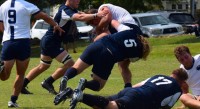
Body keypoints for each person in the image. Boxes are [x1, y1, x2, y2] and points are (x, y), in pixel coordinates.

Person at [21, 0, 106, 95]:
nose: (78, 1)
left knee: (43, 66)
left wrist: (93, 14)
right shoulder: (65, 10)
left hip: (49, 41)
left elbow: (81, 13)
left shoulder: (70, 9)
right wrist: (96, 15)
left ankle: (22, 84)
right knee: (70, 64)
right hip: (51, 42)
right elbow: (80, 17)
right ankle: (48, 82)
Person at [56, 18, 150, 102]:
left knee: (76, 67)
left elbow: (113, 21)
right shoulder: (138, 53)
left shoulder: (129, 31)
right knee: (98, 85)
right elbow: (123, 64)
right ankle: (85, 83)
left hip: (98, 43)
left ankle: (65, 78)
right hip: (108, 53)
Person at [0, 0, 64, 107]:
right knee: (20, 74)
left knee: (4, 76)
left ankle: (1, 69)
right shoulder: (26, 5)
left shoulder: (3, 6)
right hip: (23, 42)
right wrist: (55, 25)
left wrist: (7, 33)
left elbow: (1, 26)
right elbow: (44, 16)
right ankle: (12, 100)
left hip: (8, 42)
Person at [55, 68, 188, 109]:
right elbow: (166, 107)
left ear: (172, 74)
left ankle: (72, 92)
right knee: (112, 107)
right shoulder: (177, 89)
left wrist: (127, 92)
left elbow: (139, 84)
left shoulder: (159, 75)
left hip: (131, 91)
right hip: (140, 98)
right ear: (182, 82)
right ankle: (81, 96)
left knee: (101, 105)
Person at [86, 4, 143, 88]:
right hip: (134, 37)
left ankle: (98, 66)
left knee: (97, 43)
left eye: (92, 22)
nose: (93, 24)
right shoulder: (110, 21)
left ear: (96, 15)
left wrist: (97, 29)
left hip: (129, 31)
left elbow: (107, 22)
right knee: (122, 65)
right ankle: (128, 87)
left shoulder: (102, 8)